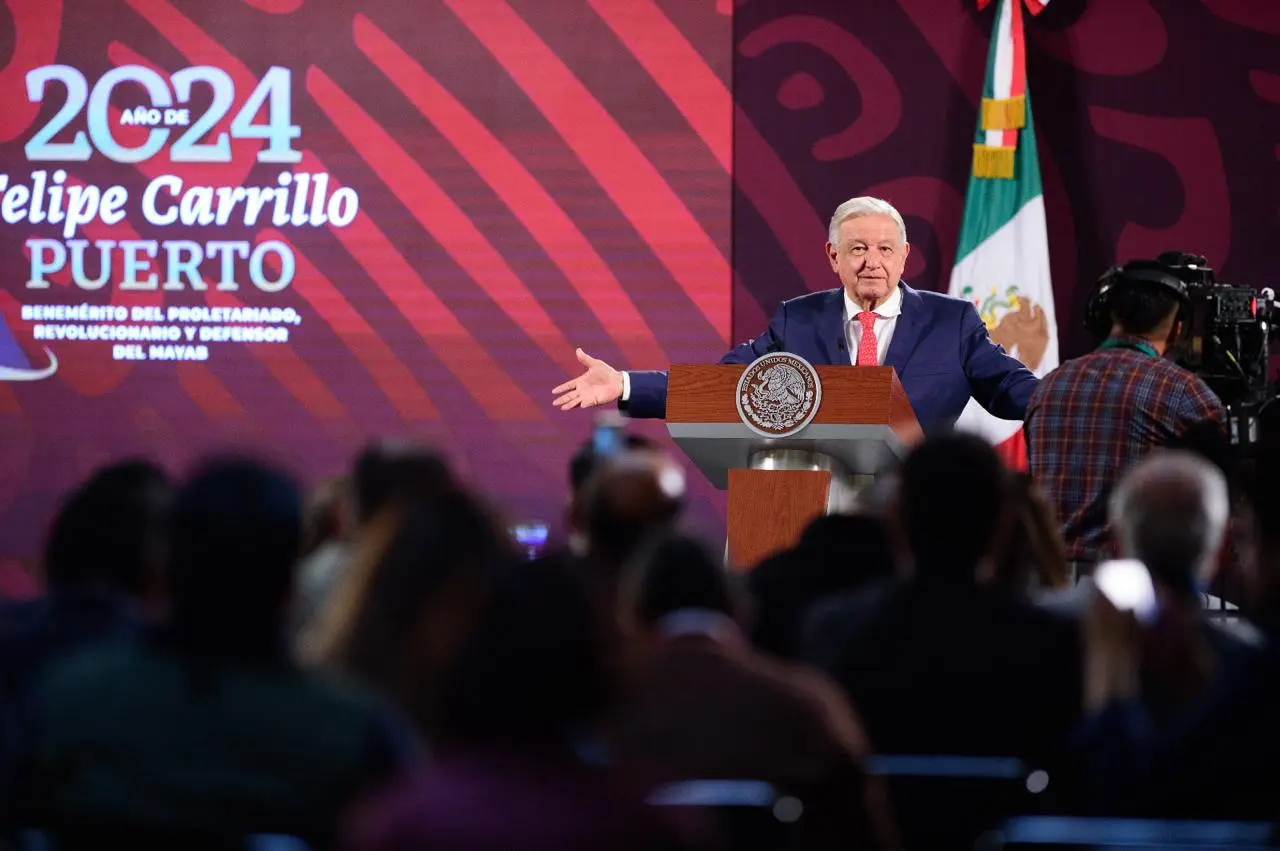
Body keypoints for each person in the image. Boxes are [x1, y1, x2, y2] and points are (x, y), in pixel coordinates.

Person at [552, 196, 1037, 433]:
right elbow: (729, 387)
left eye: (886, 249)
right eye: (859, 248)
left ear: (905, 255)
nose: (873, 261)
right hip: (815, 502)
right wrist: (626, 385)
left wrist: (1078, 395)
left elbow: (1012, 389)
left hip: (916, 514)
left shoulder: (951, 322)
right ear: (833, 256)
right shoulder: (796, 321)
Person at [1026, 255, 1226, 576]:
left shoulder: (1048, 385)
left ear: (1105, 316)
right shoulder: (1187, 393)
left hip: (1044, 585)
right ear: (1178, 330)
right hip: (1133, 596)